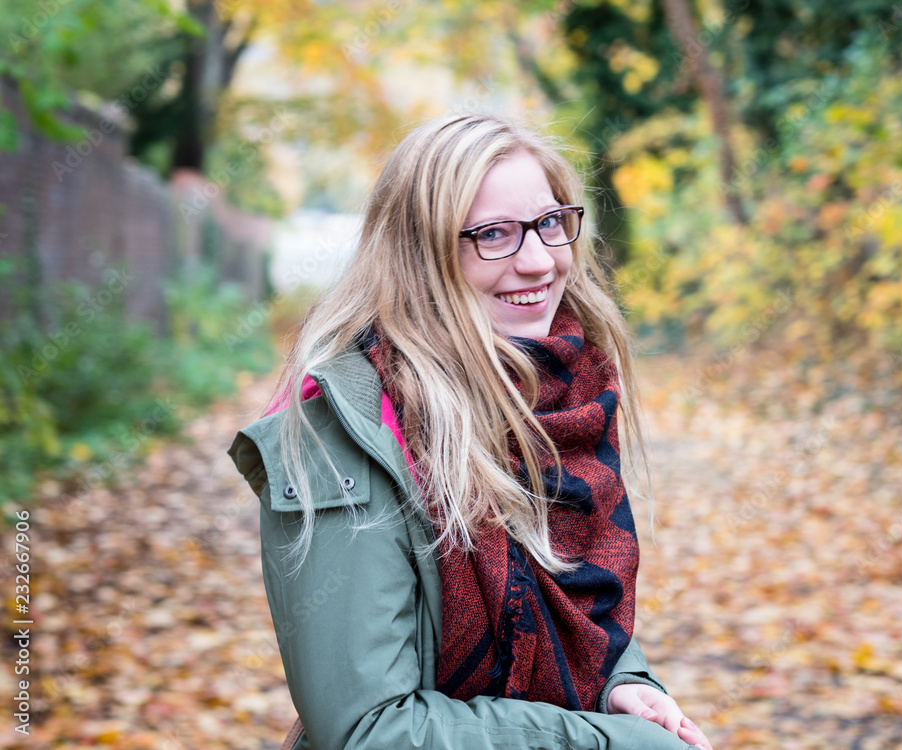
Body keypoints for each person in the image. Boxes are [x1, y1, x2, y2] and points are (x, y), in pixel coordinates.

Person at [228, 112, 714, 750]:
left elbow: (571, 605)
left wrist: (624, 683)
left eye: (549, 224)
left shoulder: (567, 395)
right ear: (420, 257)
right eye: (492, 235)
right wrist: (610, 742)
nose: (539, 261)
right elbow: (368, 730)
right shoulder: (344, 437)